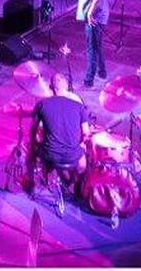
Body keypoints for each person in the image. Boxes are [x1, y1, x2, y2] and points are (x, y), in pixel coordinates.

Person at [30, 73, 90, 208]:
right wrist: (81, 144)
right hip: (73, 155)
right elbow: (86, 133)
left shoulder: (42, 105)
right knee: (82, 164)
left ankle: (37, 181)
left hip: (50, 154)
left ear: (51, 87)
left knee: (34, 148)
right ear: (67, 87)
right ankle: (73, 184)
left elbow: (35, 132)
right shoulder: (79, 106)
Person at [76, 0, 110, 88]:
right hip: (102, 15)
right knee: (97, 45)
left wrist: (90, 13)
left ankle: (88, 80)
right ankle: (102, 72)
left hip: (94, 17)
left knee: (91, 49)